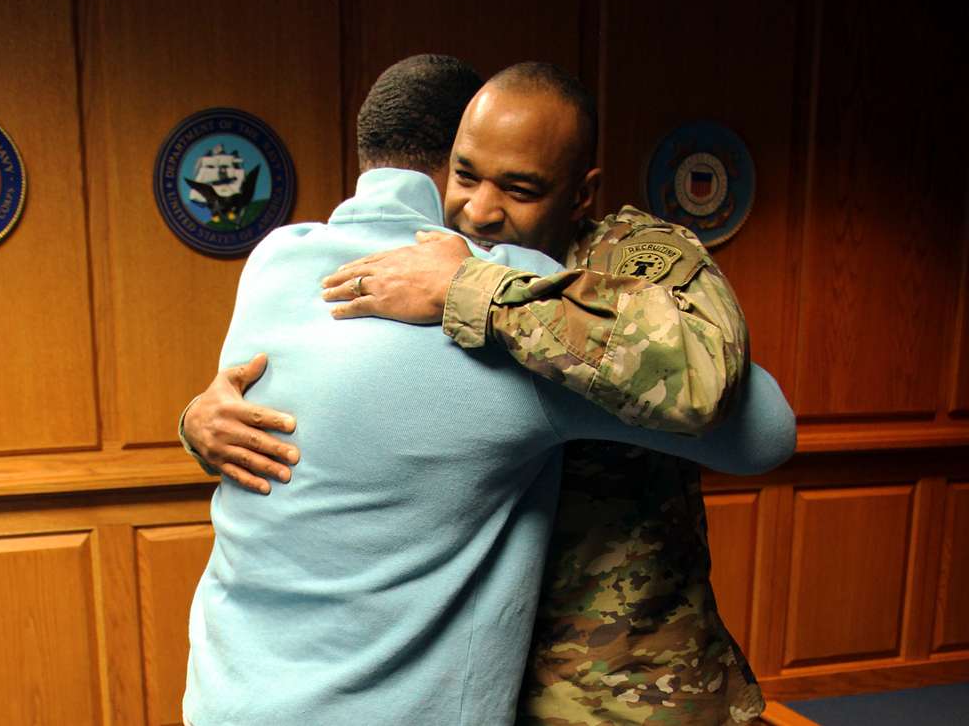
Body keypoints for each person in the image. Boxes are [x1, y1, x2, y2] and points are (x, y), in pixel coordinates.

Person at [182, 60, 790, 725]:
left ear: (581, 193)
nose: (477, 210)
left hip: (624, 685)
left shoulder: (629, 257)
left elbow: (755, 423)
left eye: (519, 187)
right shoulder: (406, 267)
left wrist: (480, 292)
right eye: (465, 175)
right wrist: (198, 419)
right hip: (493, 673)